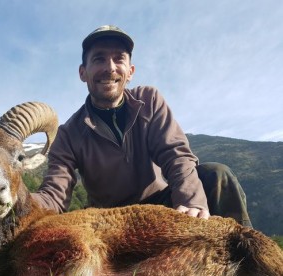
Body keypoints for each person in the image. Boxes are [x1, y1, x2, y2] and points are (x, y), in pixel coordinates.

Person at [32, 25, 252, 227]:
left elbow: (176, 156)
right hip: (109, 221)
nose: (110, 68)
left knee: (217, 174)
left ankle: (250, 258)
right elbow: (54, 194)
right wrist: (19, 201)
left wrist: (191, 202)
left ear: (130, 71)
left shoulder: (149, 100)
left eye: (119, 59)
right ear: (83, 72)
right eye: (99, 59)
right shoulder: (69, 133)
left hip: (159, 205)